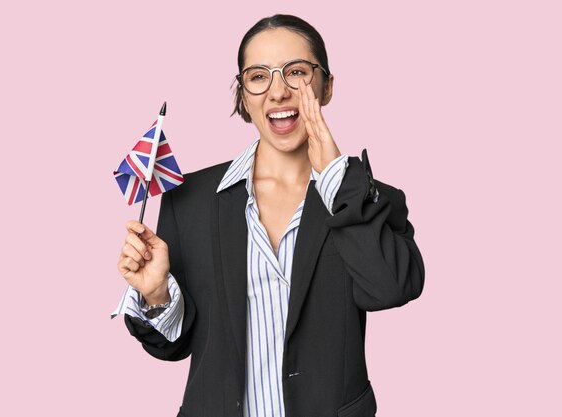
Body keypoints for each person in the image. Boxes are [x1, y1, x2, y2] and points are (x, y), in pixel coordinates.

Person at [112, 14, 425, 417]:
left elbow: (391, 289)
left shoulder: (365, 196)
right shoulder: (187, 200)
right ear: (244, 95)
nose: (278, 92)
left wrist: (335, 177)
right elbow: (175, 347)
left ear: (326, 87)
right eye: (259, 76)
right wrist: (156, 294)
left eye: (295, 72)